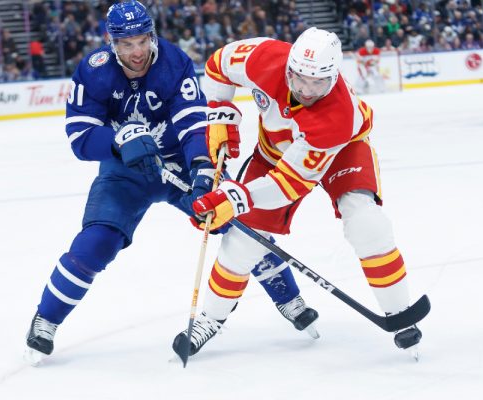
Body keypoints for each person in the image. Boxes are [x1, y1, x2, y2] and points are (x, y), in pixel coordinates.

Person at [24, 0, 318, 364]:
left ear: (153, 35)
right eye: (126, 44)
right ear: (111, 42)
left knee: (239, 223)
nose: (137, 52)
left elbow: (194, 121)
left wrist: (202, 168)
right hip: (124, 172)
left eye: (142, 40)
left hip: (180, 163)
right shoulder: (94, 71)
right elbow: (79, 136)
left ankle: (289, 299)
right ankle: (46, 319)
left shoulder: (173, 62)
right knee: (97, 241)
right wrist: (118, 140)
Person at [172, 27, 424, 357]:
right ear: (289, 65)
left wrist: (235, 197)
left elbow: (289, 183)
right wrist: (220, 113)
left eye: (318, 82)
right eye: (299, 77)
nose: (305, 89)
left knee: (366, 223)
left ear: (334, 76)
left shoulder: (337, 116)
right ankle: (211, 318)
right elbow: (218, 65)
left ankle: (400, 313)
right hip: (273, 151)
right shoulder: (265, 57)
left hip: (342, 150)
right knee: (241, 243)